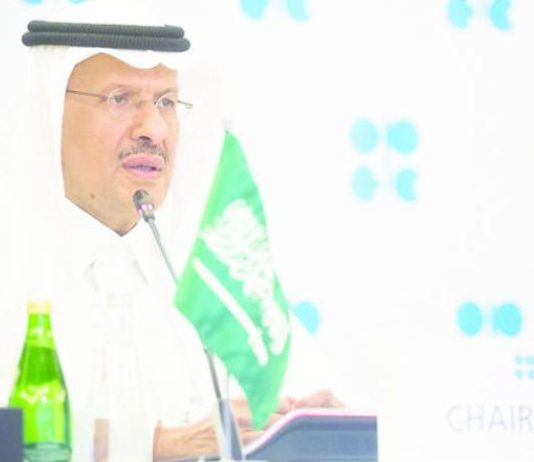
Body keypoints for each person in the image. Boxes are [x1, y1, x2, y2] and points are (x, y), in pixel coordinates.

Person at [1, 1, 350, 460]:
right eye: (119, 98)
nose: (153, 129)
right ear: (50, 112)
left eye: (166, 102)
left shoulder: (211, 275)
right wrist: (153, 448)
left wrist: (324, 430)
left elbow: (319, 413)